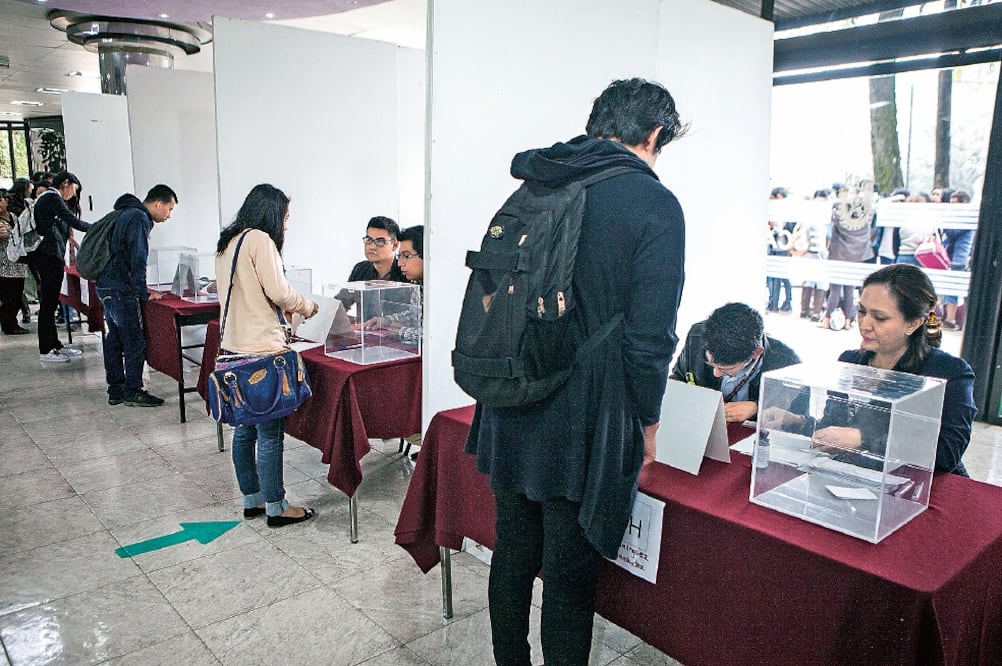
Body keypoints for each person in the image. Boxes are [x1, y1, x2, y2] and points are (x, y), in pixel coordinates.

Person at [465, 78, 687, 666]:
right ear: (654, 135)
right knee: (568, 574)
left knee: (513, 546)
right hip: (584, 408)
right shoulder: (654, 203)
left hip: (512, 390)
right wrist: (648, 420)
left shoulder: (540, 180)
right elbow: (651, 337)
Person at [763, 264, 976, 476]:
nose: (865, 324)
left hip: (920, 488)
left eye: (880, 318)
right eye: (861, 312)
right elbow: (836, 427)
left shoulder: (949, 372)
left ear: (913, 324)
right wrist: (798, 421)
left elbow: (947, 453)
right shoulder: (850, 361)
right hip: (858, 480)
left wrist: (863, 440)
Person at [215, 184, 320, 528]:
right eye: (286, 217)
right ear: (272, 213)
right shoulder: (260, 239)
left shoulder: (228, 242)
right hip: (263, 351)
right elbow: (278, 291)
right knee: (270, 434)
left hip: (234, 347)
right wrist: (307, 306)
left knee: (245, 430)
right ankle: (277, 506)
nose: (286, 225)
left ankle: (252, 499)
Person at [95, 185, 178, 407]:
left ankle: (116, 389)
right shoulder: (139, 218)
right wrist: (142, 292)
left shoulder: (125, 213)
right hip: (121, 289)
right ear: (158, 204)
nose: (169, 215)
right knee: (133, 341)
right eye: (169, 209)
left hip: (106, 285)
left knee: (115, 338)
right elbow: (137, 258)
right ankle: (133, 390)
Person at [671, 303, 800, 423]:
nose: (716, 373)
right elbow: (678, 379)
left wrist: (757, 409)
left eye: (726, 369)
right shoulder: (697, 337)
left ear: (756, 353)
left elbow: (795, 421)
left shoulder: (787, 364)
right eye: (710, 363)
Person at [24, 171, 90, 364]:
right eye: (73, 189)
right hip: (48, 256)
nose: (72, 195)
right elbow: (73, 221)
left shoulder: (49, 198)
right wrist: (100, 227)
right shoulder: (53, 197)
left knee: (51, 302)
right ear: (66, 183)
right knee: (49, 304)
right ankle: (46, 349)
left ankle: (55, 345)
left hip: (49, 256)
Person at [942, 189, 974, 330]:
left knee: (951, 288)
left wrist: (946, 223)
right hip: (951, 255)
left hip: (958, 257)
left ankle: (950, 318)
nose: (952, 206)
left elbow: (953, 232)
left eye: (955, 203)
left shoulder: (966, 217)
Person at [0, 189, 30, 335]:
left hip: (18, 260)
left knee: (17, 293)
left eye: (1, 200)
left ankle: (11, 322)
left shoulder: (13, 216)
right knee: (8, 295)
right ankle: (9, 324)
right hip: (4, 263)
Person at [347, 216, 407, 282]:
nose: (372, 247)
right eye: (369, 239)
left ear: (395, 245)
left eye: (380, 241)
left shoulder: (406, 272)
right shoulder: (360, 269)